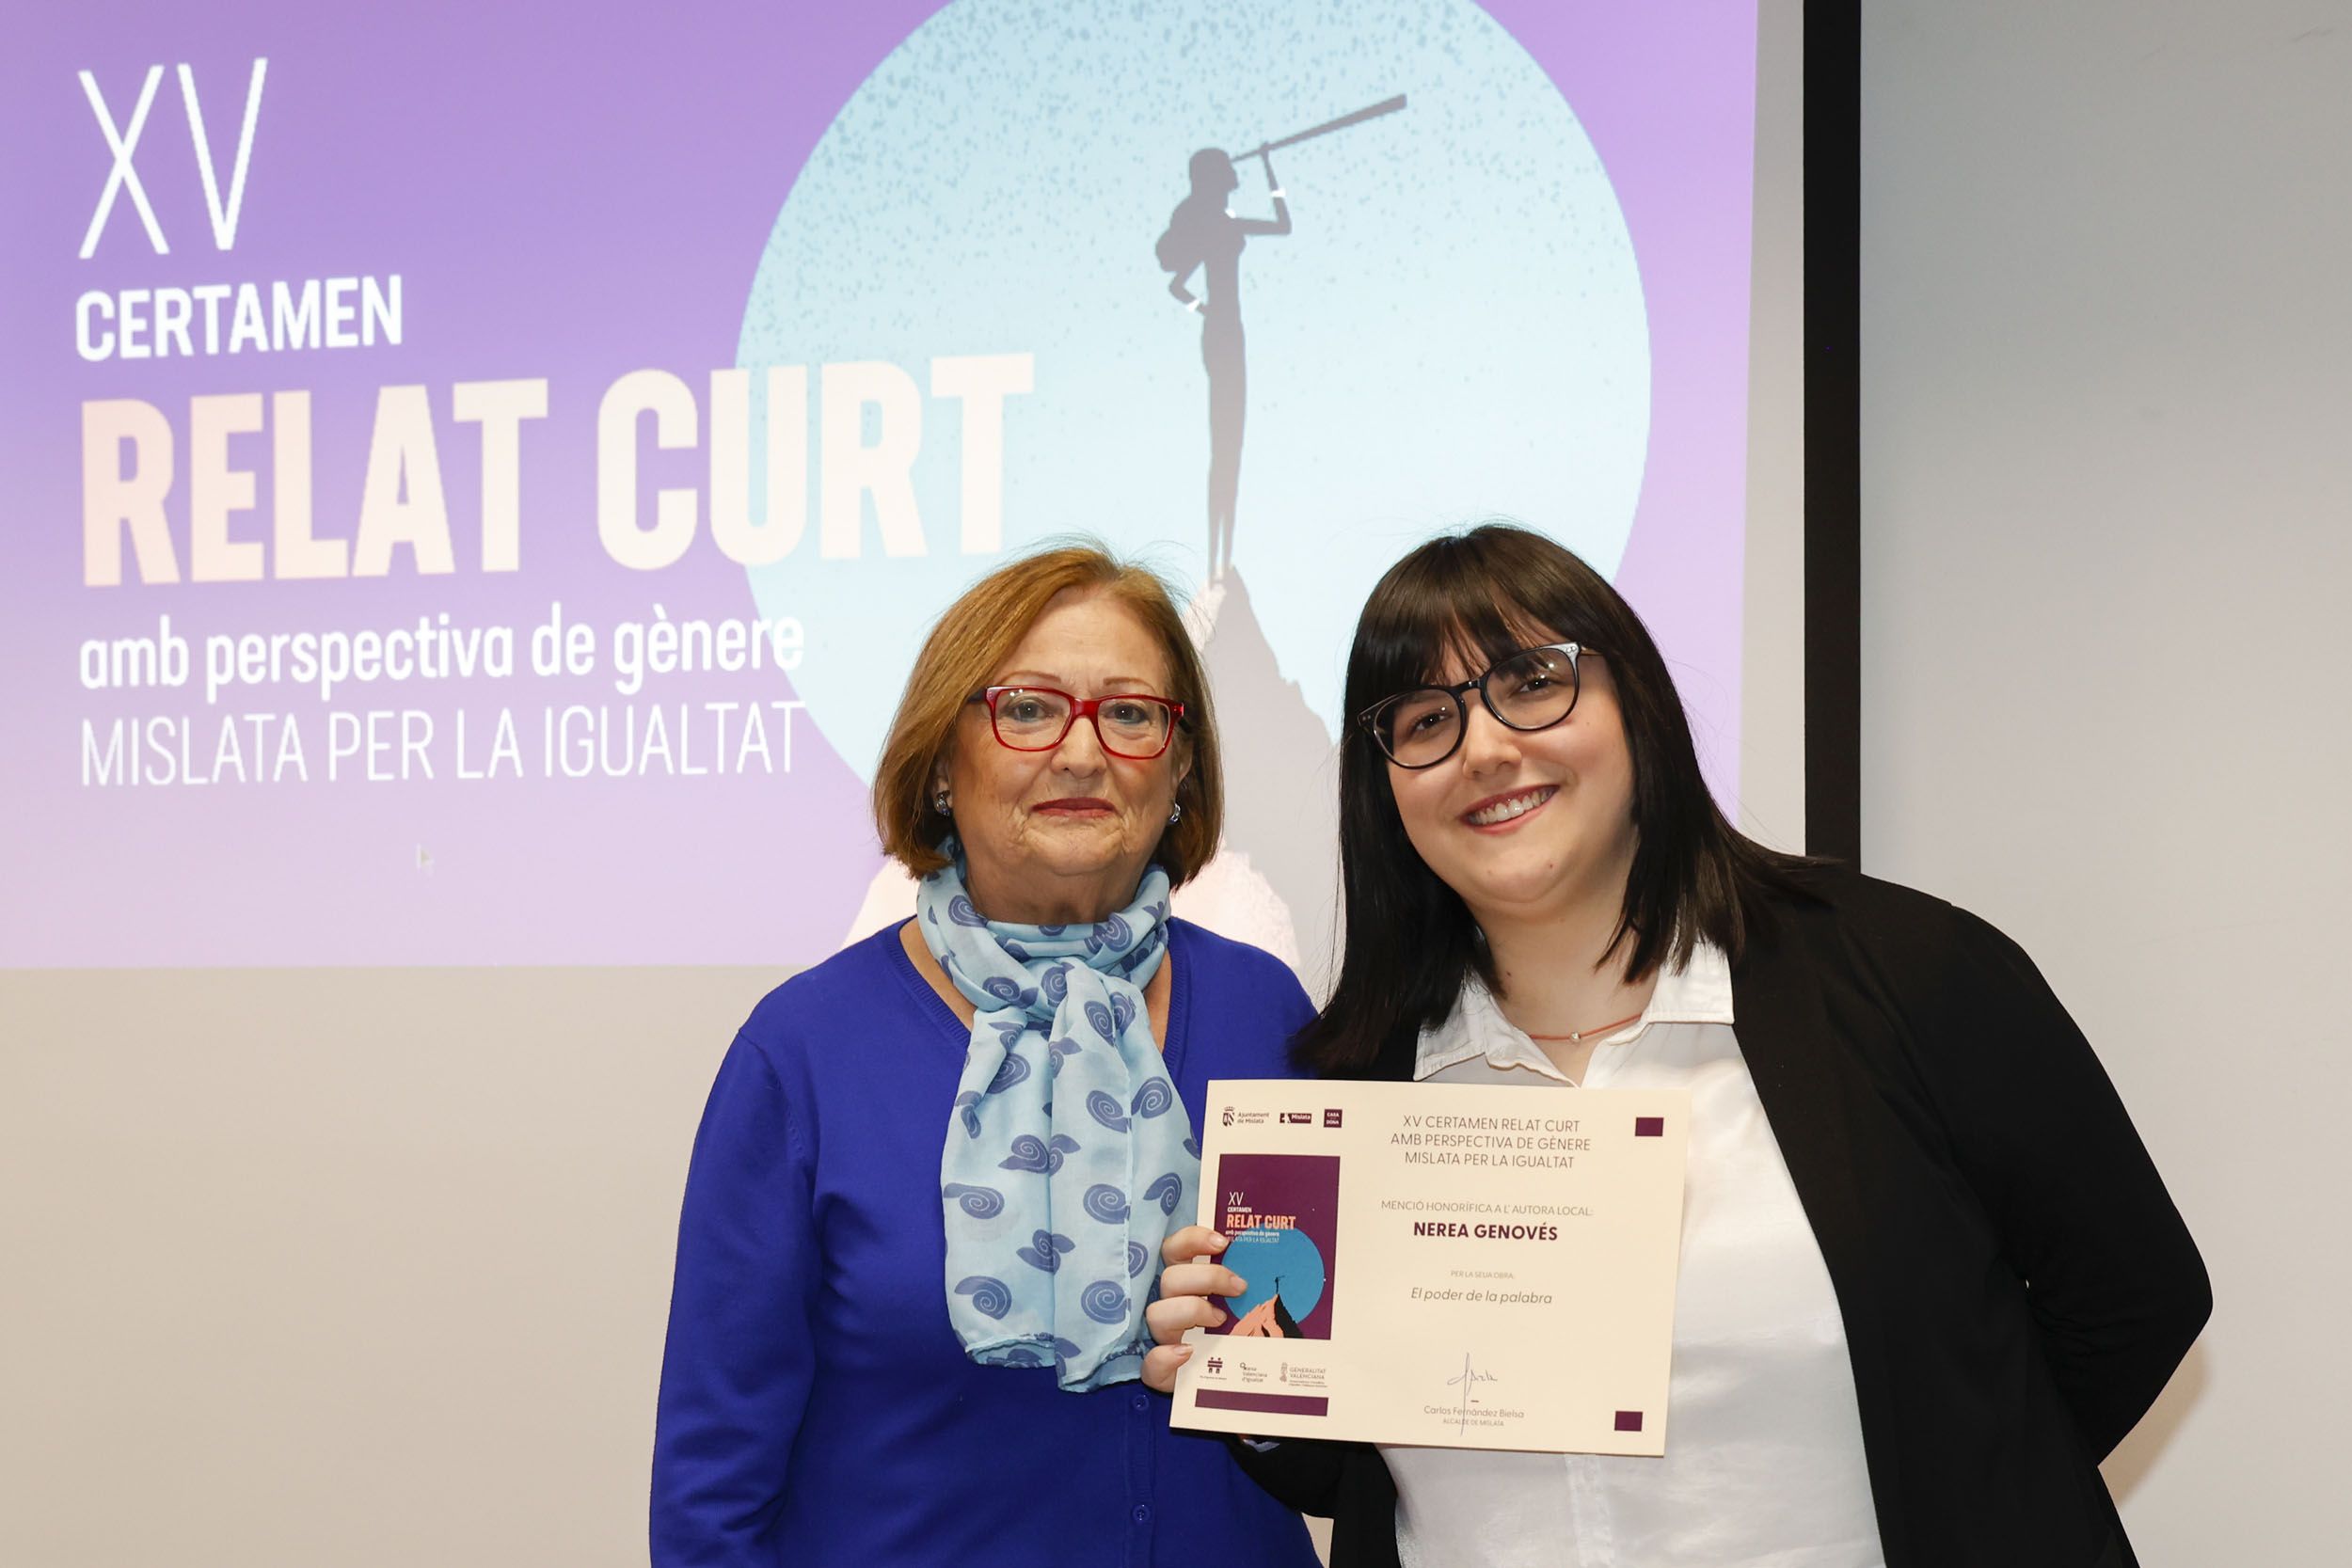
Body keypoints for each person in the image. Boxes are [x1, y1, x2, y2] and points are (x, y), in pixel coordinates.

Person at [1145, 524, 2210, 1568]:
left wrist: (1972, 1497)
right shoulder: (1356, 1080)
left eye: (1530, 682)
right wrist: (1251, 1369)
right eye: (1424, 719)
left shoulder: (1907, 972)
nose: (1483, 747)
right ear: (1385, 791)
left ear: (1635, 704)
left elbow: (2131, 1299)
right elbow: (1355, 1471)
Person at [652, 544, 1320, 1568]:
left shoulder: (1263, 1010)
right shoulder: (802, 1056)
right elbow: (710, 1504)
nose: (1084, 752)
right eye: (1027, 707)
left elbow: (1331, 1373)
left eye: (1132, 713)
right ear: (938, 762)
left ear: (1181, 768)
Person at [1157, 146, 1291, 581]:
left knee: (1229, 444)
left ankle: (1223, 553)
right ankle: (1218, 555)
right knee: (1226, 443)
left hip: (1228, 332)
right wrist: (1206, 310)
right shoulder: (1214, 224)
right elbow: (1177, 283)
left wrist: (1271, 167)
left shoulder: (1221, 223)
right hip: (1224, 336)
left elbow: (1282, 224)